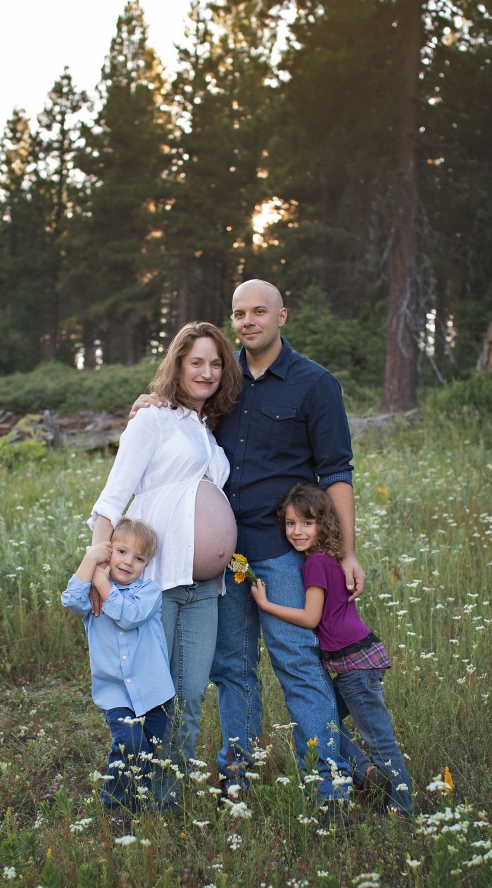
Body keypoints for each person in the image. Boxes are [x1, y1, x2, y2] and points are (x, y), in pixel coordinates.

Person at [129, 279, 367, 807]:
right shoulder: (222, 378)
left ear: (283, 315)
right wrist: (156, 398)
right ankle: (238, 774)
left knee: (297, 665)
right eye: (239, 312)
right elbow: (182, 408)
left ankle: (332, 784)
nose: (248, 321)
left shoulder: (314, 384)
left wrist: (346, 551)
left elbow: (337, 472)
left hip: (282, 553)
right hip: (226, 561)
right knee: (232, 669)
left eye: (260, 311)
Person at [88, 322, 242, 793]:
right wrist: (96, 565)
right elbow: (114, 496)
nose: (207, 371)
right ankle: (131, 795)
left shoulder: (206, 429)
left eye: (216, 363)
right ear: (177, 364)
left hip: (205, 587)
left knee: (192, 695)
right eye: (196, 361)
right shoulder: (152, 419)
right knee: (150, 695)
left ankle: (167, 798)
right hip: (156, 581)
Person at [250, 483, 412, 815]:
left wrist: (267, 605)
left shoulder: (314, 564)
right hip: (357, 657)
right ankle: (365, 773)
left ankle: (402, 807)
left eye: (307, 523)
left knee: (378, 738)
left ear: (323, 523)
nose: (297, 531)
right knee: (323, 724)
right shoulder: (329, 556)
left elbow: (310, 617)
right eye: (291, 523)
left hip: (355, 664)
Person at [61, 517, 175, 812]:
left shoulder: (149, 593)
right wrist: (90, 561)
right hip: (115, 693)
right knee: (129, 744)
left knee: (149, 751)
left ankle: (144, 805)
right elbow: (70, 601)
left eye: (138, 558)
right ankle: (114, 804)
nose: (128, 562)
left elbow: (129, 615)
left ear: (146, 564)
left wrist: (100, 581)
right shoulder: (92, 595)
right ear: (108, 552)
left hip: (153, 692)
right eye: (121, 552)